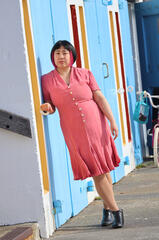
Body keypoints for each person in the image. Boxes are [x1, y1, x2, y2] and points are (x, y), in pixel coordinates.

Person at [40, 40, 124, 228]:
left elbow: (99, 97)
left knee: (102, 168)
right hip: (73, 129)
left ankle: (111, 210)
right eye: (57, 53)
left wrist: (112, 121)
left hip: (96, 124)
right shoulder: (46, 79)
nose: (61, 56)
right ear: (52, 57)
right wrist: (47, 107)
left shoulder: (85, 73)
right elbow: (50, 105)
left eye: (65, 53)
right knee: (97, 169)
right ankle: (113, 210)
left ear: (72, 56)